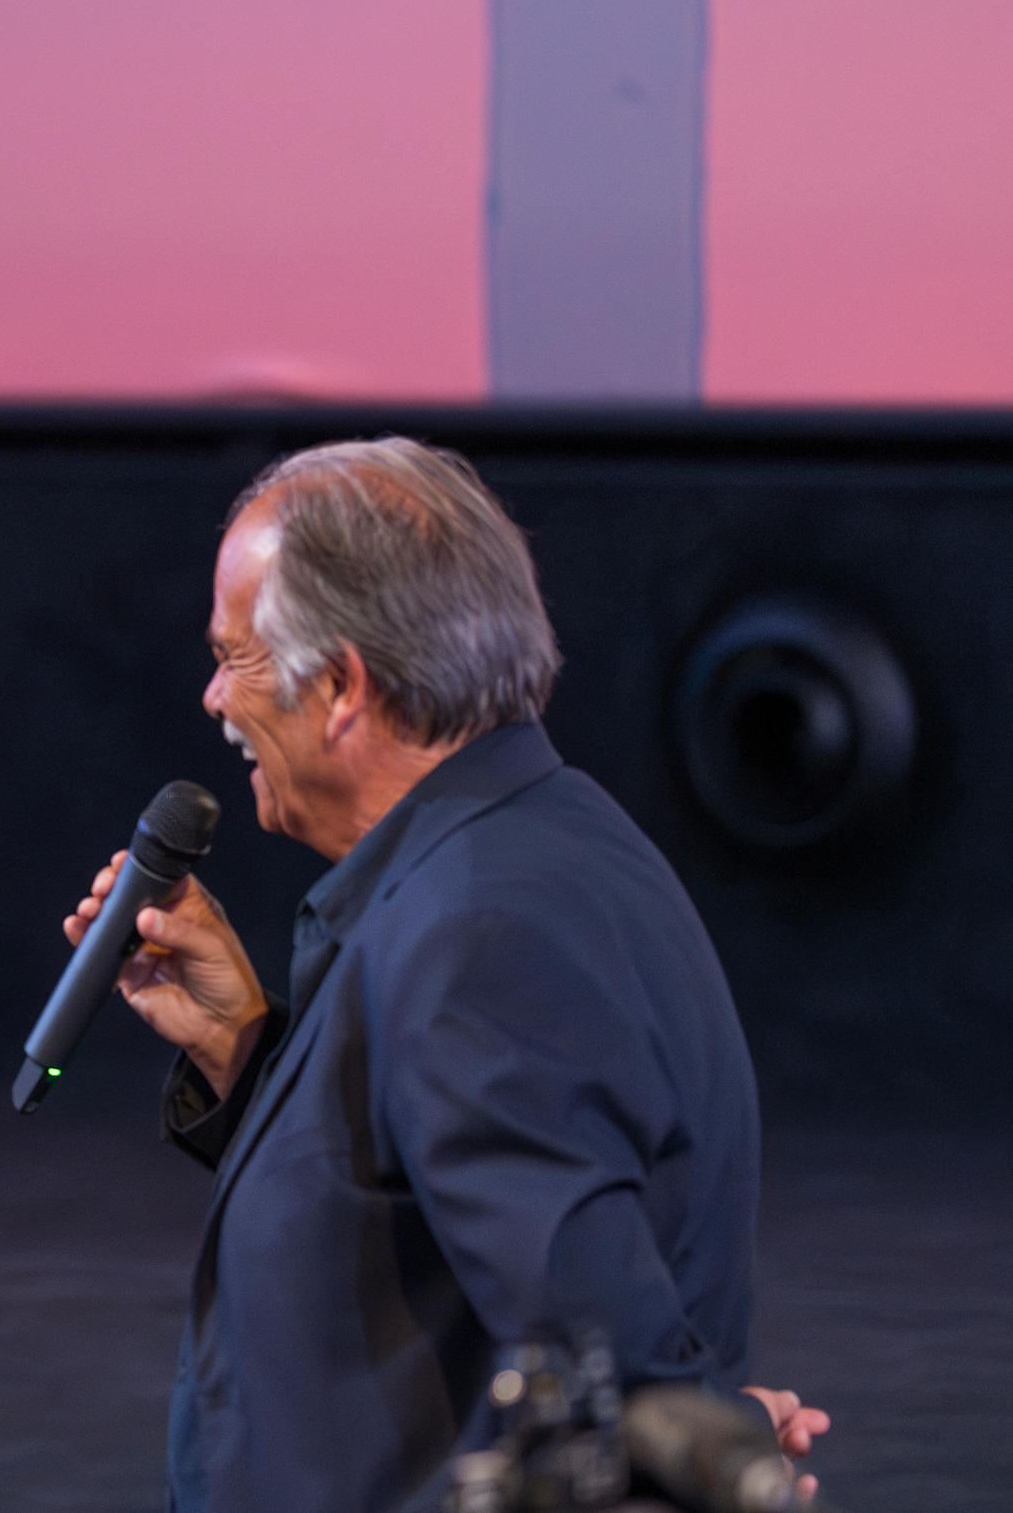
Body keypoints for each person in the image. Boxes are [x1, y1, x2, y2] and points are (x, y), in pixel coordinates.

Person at [66, 437, 830, 1512]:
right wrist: (244, 1049)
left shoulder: (477, 928)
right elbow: (420, 1222)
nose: (210, 698)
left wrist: (717, 1435)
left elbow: (607, 1358)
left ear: (339, 684)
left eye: (233, 656)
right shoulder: (533, 843)